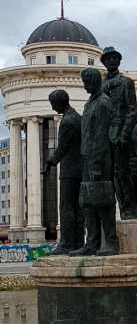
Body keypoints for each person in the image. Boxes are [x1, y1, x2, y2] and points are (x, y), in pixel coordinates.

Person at [70, 68, 119, 257]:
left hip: (99, 160)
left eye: (86, 81)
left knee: (104, 202)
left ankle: (111, 243)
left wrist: (97, 164)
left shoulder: (103, 103)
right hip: (88, 158)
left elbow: (101, 136)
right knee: (88, 204)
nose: (84, 85)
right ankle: (92, 243)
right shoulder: (90, 103)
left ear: (94, 81)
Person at [100, 46, 137, 219]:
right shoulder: (100, 86)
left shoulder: (126, 82)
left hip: (121, 133)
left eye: (115, 58)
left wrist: (124, 134)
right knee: (110, 174)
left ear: (119, 60)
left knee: (125, 173)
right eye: (108, 58)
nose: (112, 61)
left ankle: (129, 207)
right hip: (105, 135)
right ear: (104, 62)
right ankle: (119, 207)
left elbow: (132, 110)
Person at [43, 89, 84, 255]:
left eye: (54, 105)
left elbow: (62, 148)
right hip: (80, 169)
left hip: (70, 171)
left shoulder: (68, 121)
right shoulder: (78, 118)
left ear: (60, 103)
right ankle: (79, 242)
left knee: (66, 207)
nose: (53, 109)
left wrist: (50, 162)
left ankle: (67, 243)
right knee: (77, 209)